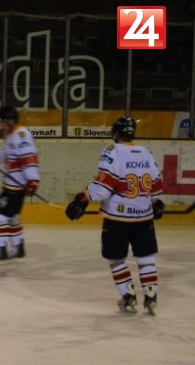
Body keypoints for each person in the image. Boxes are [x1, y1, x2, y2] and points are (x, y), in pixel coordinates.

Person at [65, 116, 165, 315]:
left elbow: (103, 189)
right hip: (144, 217)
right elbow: (156, 184)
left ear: (116, 133)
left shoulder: (112, 151)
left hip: (118, 218)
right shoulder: (144, 152)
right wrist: (156, 202)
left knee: (115, 257)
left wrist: (83, 199)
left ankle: (128, 295)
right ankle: (151, 295)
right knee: (145, 257)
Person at [0, 105, 41, 262]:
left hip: (16, 186)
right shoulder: (10, 134)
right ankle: (18, 247)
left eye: (3, 122)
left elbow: (29, 158)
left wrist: (33, 180)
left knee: (0, 214)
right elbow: (8, 156)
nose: (1, 126)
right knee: (12, 216)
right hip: (11, 184)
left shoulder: (21, 135)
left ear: (11, 121)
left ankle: (0, 249)